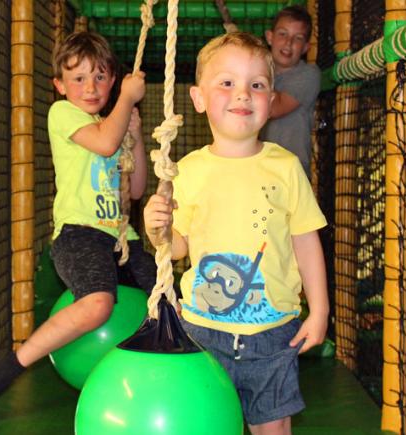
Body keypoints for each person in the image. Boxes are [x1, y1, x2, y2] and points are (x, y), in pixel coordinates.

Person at [144, 32, 328, 435]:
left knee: (273, 428)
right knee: (205, 423)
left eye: (257, 85)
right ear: (198, 99)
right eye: (227, 83)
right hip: (202, 330)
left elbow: (306, 240)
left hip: (273, 331)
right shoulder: (187, 171)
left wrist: (320, 309)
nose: (242, 94)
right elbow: (177, 248)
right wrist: (157, 227)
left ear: (271, 100)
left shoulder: (286, 167)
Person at [0, 31, 154, 411]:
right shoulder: (63, 114)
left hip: (121, 237)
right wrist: (126, 103)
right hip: (79, 235)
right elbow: (102, 142)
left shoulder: (110, 123)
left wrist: (136, 138)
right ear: (60, 85)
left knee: (168, 303)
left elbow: (135, 189)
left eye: (100, 77)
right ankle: (11, 366)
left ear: (112, 79)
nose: (90, 87)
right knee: (99, 304)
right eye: (79, 78)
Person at [259, 5, 320, 179]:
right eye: (283, 34)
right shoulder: (261, 73)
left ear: (306, 47)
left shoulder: (308, 75)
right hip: (260, 169)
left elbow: (273, 107)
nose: (288, 43)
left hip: (292, 173)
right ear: (269, 37)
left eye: (298, 38)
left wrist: (254, 69)